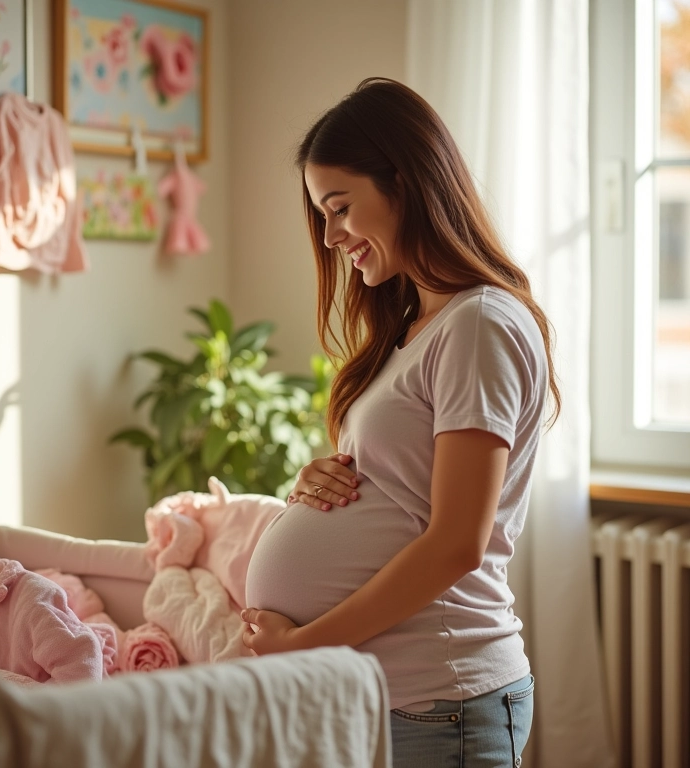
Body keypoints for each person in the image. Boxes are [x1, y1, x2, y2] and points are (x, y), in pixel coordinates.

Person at [241, 77, 559, 768]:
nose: (330, 237)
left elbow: (456, 543)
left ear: (404, 183)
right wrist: (320, 480)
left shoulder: (479, 323)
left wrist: (303, 642)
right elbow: (406, 488)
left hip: (443, 694)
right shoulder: (418, 324)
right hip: (395, 695)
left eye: (340, 207)